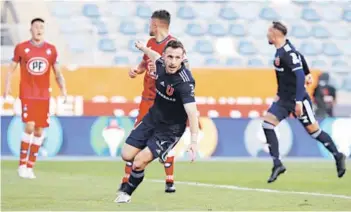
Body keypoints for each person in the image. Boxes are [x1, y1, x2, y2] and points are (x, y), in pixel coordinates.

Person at [114, 40, 199, 203]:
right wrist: (143, 48)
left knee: (138, 163)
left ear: (183, 59)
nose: (173, 62)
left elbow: (193, 113)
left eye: (177, 58)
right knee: (126, 155)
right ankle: (157, 152)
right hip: (152, 118)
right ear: (165, 57)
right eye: (170, 57)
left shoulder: (185, 82)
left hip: (170, 129)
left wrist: (194, 141)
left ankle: (126, 193)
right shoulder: (160, 64)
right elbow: (154, 56)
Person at [263, 21, 346, 183]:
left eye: (268, 32)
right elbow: (299, 57)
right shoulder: (283, 50)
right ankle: (277, 164)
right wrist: (307, 72)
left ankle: (337, 155)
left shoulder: (287, 52)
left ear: (275, 34)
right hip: (283, 100)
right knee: (267, 124)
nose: (266, 34)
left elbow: (299, 75)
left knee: (314, 131)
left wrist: (299, 101)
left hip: (297, 99)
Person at [119, 9, 189, 193]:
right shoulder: (150, 43)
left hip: (163, 101)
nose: (149, 26)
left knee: (164, 139)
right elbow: (145, 64)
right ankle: (126, 180)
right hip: (146, 99)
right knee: (135, 139)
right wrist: (136, 70)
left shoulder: (173, 47)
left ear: (156, 24)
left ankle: (169, 180)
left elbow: (185, 71)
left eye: (150, 23)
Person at [3, 18, 67, 179]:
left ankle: (30, 166)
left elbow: (57, 73)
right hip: (27, 94)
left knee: (39, 130)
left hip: (44, 96)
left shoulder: (51, 50)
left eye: (41, 27)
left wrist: (63, 89)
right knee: (29, 126)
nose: (39, 29)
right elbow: (11, 69)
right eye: (36, 26)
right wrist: (7, 85)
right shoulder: (21, 48)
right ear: (30, 29)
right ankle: (22, 164)